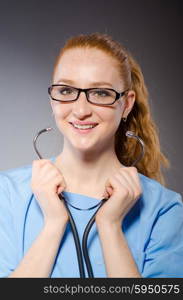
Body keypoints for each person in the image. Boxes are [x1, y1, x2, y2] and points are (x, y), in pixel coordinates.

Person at [0, 33, 183, 278]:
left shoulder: (165, 209)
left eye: (100, 93)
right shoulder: (7, 194)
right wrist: (54, 224)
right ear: (52, 99)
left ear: (126, 104)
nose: (81, 110)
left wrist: (110, 227)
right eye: (66, 90)